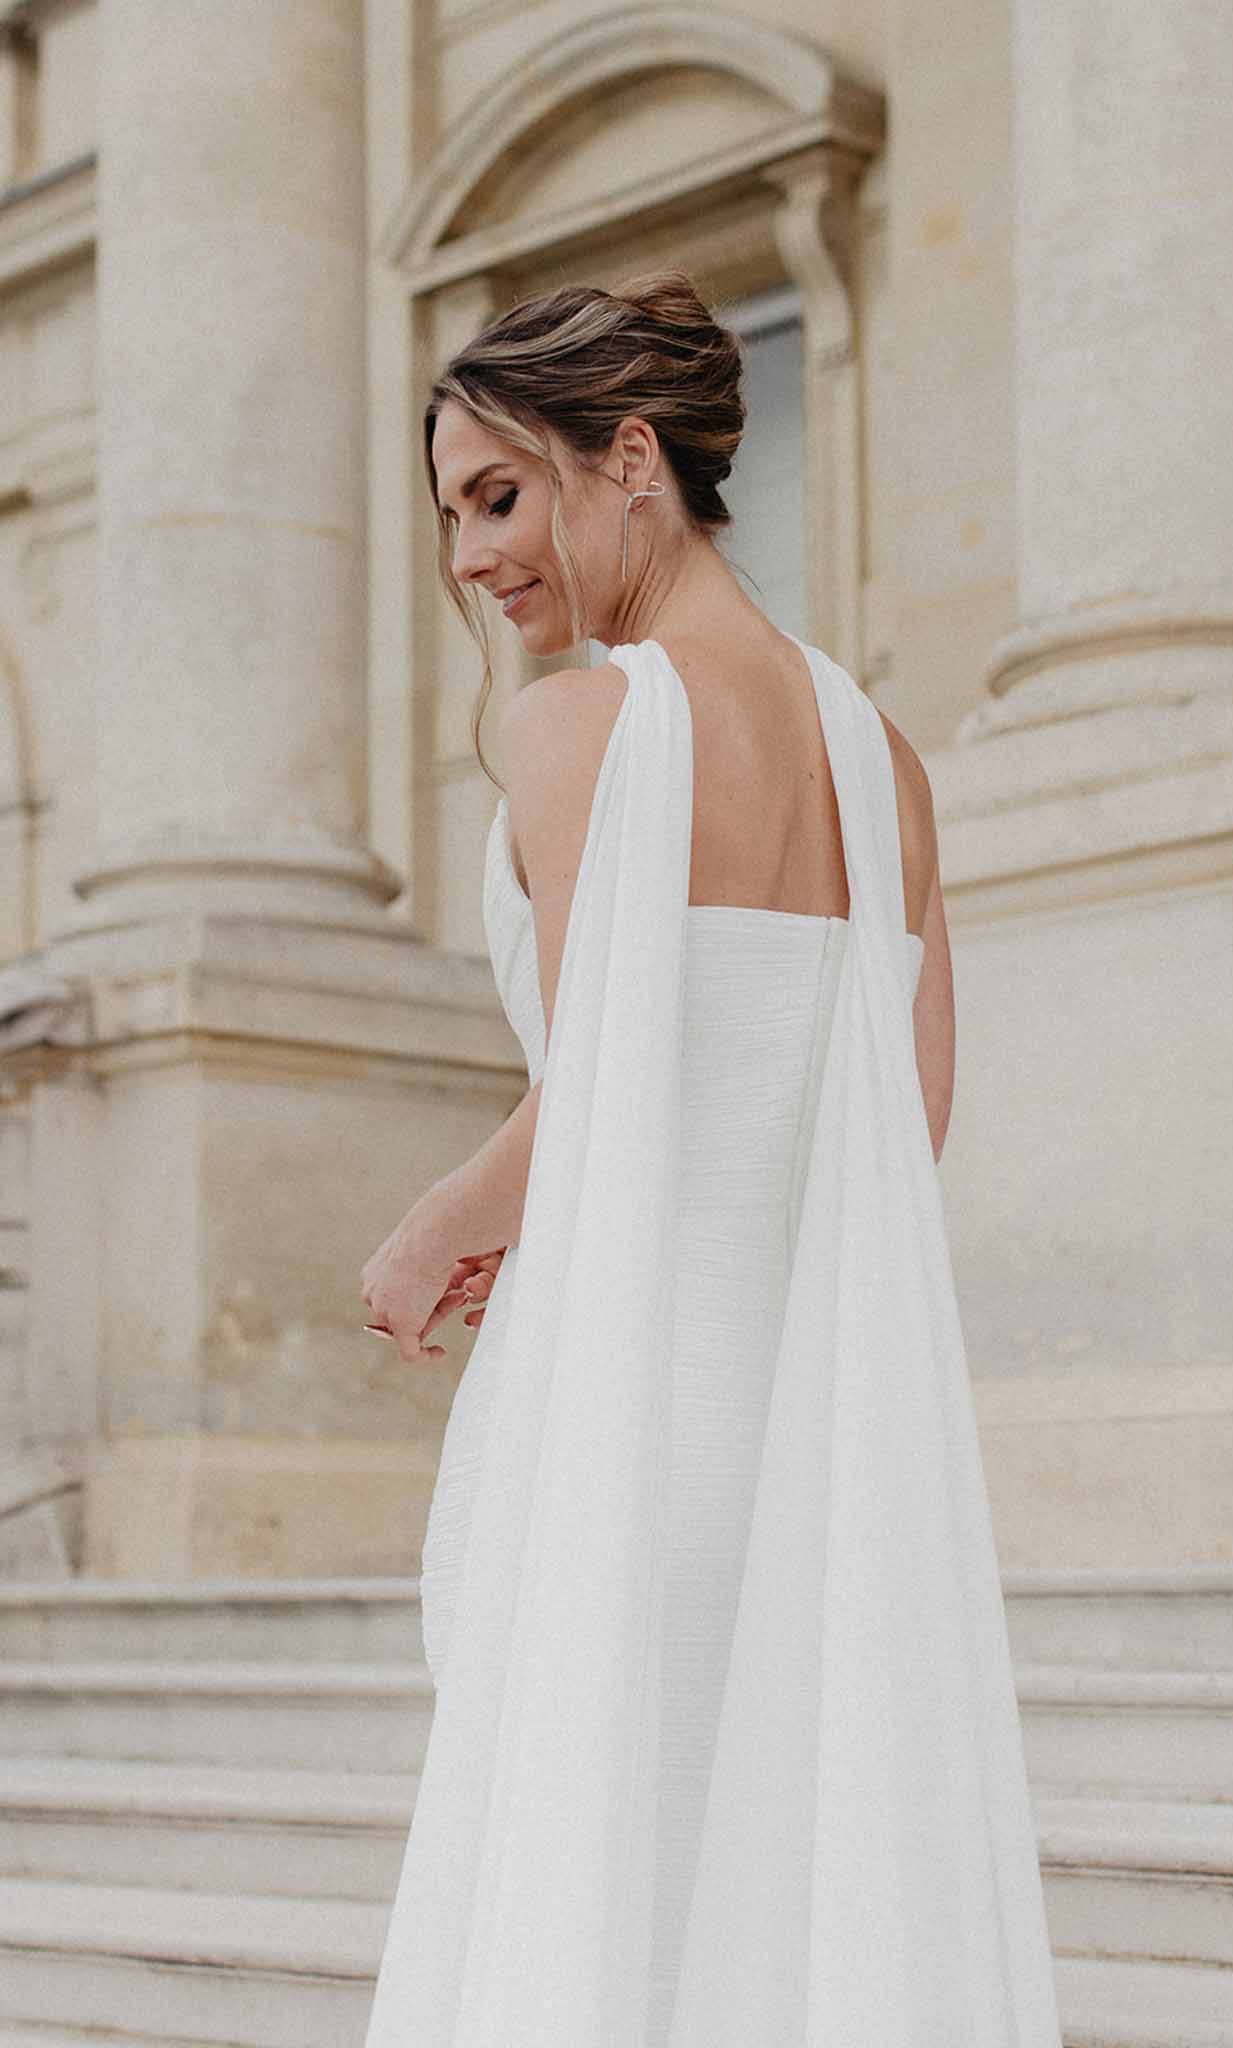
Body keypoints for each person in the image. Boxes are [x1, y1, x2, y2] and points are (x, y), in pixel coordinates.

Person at [360, 270, 1062, 2046]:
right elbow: (904, 1118)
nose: (469, 558)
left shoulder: (576, 725)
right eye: (449, 515)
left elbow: (608, 1070)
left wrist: (440, 1218)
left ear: (633, 458)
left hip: (631, 1413)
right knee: (775, 1929)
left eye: (497, 497)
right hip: (816, 1431)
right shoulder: (883, 757)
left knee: (597, 1925)